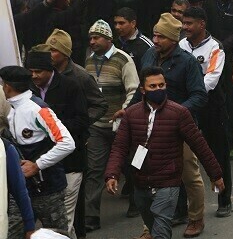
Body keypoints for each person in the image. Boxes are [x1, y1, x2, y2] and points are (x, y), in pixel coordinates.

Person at [104, 67, 224, 239]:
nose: (158, 89)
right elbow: (120, 147)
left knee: (161, 227)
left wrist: (216, 174)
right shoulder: (131, 114)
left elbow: (199, 145)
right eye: (153, 86)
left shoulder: (179, 113)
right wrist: (112, 174)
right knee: (152, 224)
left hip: (168, 181)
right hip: (140, 182)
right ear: (143, 90)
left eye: (162, 85)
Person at [138, 12, 209, 237]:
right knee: (147, 176)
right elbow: (142, 89)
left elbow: (199, 95)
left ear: (173, 39)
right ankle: (150, 226)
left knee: (189, 175)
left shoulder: (187, 62)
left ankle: (196, 218)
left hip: (181, 130)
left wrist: (175, 114)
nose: (156, 40)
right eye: (154, 35)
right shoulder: (148, 56)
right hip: (149, 128)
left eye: (161, 37)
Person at [2, 65, 75, 232]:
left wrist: (37, 165)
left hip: (47, 189)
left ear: (8, 86)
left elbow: (67, 142)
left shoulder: (38, 110)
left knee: (58, 234)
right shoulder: (13, 111)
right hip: (23, 189)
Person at [26, 47, 89, 237]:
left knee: (66, 219)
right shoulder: (28, 91)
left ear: (50, 70)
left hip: (70, 163)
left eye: (39, 72)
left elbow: (82, 121)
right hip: (42, 167)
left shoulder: (71, 86)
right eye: (31, 72)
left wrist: (52, 127)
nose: (34, 76)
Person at [83, 19, 139, 233]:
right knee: (95, 170)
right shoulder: (88, 61)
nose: (92, 41)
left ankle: (136, 200)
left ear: (108, 39)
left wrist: (125, 110)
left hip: (120, 125)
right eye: (90, 38)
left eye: (96, 37)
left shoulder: (123, 60)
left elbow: (133, 89)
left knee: (129, 165)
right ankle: (91, 216)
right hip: (97, 126)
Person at [178, 6, 233, 219]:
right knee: (182, 157)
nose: (185, 27)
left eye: (189, 23)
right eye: (183, 23)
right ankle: (181, 209)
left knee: (217, 155)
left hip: (211, 107)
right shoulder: (181, 45)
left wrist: (191, 94)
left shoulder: (215, 47)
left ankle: (224, 200)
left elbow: (211, 78)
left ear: (202, 24)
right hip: (185, 106)